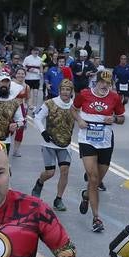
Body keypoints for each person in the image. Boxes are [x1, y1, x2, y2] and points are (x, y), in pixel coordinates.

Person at [74, 69, 125, 234]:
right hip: (87, 140)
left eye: (108, 83)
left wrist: (115, 119)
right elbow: (73, 109)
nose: (105, 85)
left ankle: (86, 195)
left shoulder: (115, 97)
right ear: (96, 82)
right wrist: (80, 120)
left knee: (96, 181)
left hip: (105, 140)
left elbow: (122, 118)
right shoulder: (84, 94)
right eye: (102, 82)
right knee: (93, 178)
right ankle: (96, 218)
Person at [30, 78, 76, 211]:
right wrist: (43, 132)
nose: (65, 92)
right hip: (49, 143)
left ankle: (58, 199)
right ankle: (39, 183)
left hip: (65, 144)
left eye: (68, 90)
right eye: (63, 89)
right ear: (59, 90)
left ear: (71, 92)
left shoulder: (74, 106)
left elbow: (82, 119)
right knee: (50, 172)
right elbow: (37, 118)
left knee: (65, 171)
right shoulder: (50, 103)